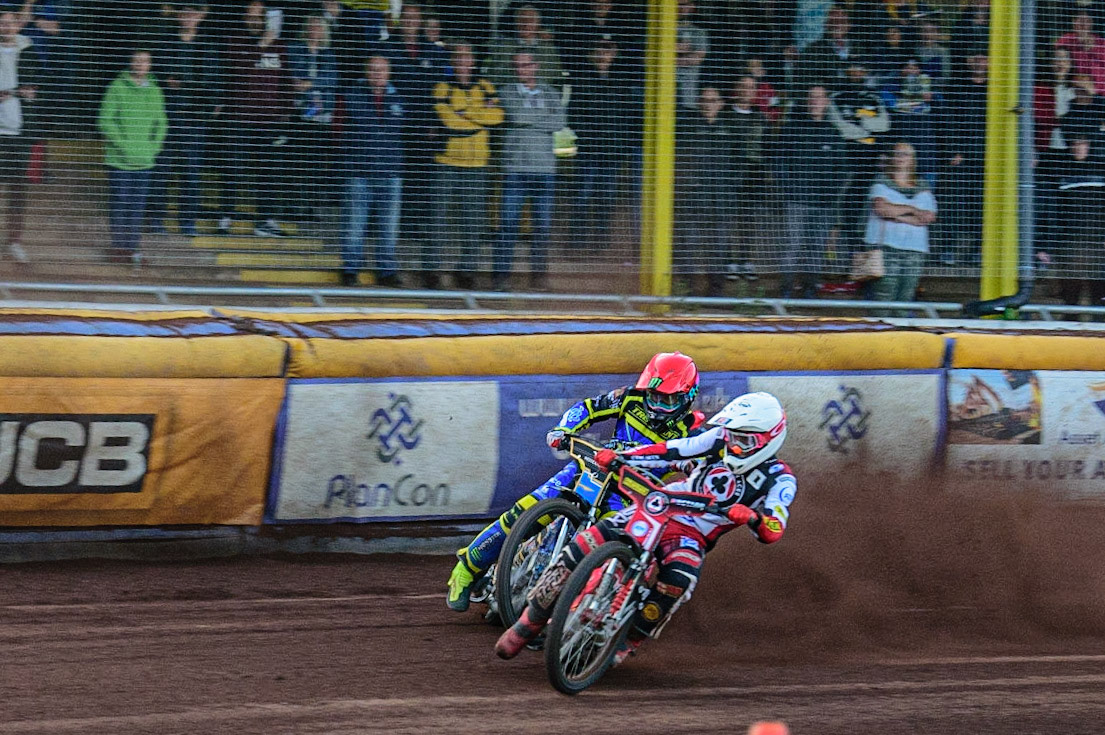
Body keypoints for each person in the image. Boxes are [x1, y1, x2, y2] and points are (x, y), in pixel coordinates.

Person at [495, 391, 796, 665]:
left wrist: (755, 519)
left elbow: (775, 524)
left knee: (678, 580)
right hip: (663, 505)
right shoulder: (717, 439)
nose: (733, 444)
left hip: (693, 536)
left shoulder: (780, 478)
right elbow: (673, 450)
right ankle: (529, 622)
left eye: (744, 441)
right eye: (732, 436)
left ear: (770, 439)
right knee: (587, 541)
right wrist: (623, 457)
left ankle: (628, 641)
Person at [446, 351, 703, 613]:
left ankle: (578, 616)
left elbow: (702, 459)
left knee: (613, 553)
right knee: (524, 511)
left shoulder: (693, 431)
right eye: (654, 396)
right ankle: (467, 568)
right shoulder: (629, 397)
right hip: (590, 469)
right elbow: (588, 408)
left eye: (668, 400)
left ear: (687, 398)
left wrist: (689, 464)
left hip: (627, 495)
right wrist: (564, 430)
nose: (658, 405)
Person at [430, 41, 503, 290]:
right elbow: (447, 120)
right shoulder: (442, 87)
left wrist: (465, 112)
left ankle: (467, 270)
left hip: (478, 164)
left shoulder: (486, 86)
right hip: (447, 162)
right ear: (453, 61)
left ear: (472, 61)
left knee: (473, 221)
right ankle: (431, 270)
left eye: (466, 57)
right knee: (437, 219)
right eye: (458, 57)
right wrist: (478, 117)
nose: (462, 62)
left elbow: (498, 117)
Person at [492, 50, 565, 292]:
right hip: (516, 168)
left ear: (536, 65)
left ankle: (539, 278)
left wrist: (529, 120)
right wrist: (543, 118)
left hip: (545, 170)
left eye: (525, 65)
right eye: (517, 66)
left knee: (542, 227)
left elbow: (560, 122)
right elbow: (515, 114)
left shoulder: (551, 93)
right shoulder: (506, 91)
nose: (521, 70)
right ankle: (501, 278)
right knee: (508, 225)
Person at [338, 54, 404, 287]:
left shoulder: (399, 97)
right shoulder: (352, 96)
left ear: (389, 73)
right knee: (355, 223)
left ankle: (386, 271)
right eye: (373, 70)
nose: (377, 74)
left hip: (390, 172)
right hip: (359, 171)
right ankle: (350, 268)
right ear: (366, 72)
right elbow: (339, 130)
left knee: (389, 226)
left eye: (382, 70)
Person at [98, 49, 167, 267]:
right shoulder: (116, 88)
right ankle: (119, 247)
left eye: (145, 61)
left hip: (145, 160)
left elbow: (162, 123)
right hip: (119, 161)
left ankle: (133, 248)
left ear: (150, 64)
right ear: (130, 63)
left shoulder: (155, 90)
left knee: (137, 207)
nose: (140, 64)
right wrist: (124, 146)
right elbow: (105, 121)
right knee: (120, 204)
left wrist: (153, 148)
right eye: (136, 60)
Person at [863, 141, 936, 307]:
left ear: (913, 159)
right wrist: (914, 210)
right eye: (897, 154)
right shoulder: (881, 181)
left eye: (906, 154)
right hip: (886, 248)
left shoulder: (923, 185)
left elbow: (928, 217)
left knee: (906, 296)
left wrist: (897, 215)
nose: (901, 157)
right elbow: (882, 209)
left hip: (914, 251)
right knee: (883, 295)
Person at [0, 9, 39, 263]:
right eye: (1, 24)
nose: (5, 27)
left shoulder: (28, 51)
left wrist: (15, 93)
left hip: (18, 132)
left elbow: (33, 90)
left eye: (9, 23)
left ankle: (13, 242)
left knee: (17, 190)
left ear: (18, 26)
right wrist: (17, 92)